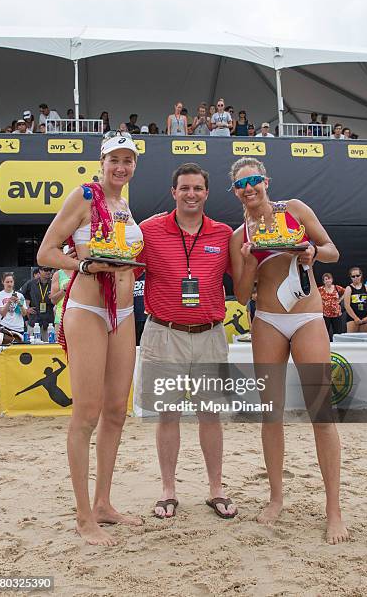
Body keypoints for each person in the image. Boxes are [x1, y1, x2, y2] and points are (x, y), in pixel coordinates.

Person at [229, 156, 349, 544]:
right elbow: (243, 294)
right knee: (271, 414)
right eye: (241, 184)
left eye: (254, 180)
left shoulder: (294, 210)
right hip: (267, 320)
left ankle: (334, 509)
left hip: (307, 316)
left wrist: (312, 252)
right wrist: (248, 262)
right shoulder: (238, 235)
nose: (249, 188)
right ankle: (276, 497)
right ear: (235, 191)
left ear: (266, 181)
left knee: (321, 412)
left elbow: (332, 250)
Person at [37, 132, 144, 546]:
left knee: (117, 410)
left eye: (128, 160)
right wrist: (81, 266)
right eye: (114, 159)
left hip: (123, 310)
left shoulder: (122, 205)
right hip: (87, 310)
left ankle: (103, 503)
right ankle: (84, 517)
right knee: (86, 413)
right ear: (101, 161)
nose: (121, 166)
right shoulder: (84, 196)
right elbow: (47, 252)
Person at [135, 162, 237, 520]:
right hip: (164, 333)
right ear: (173, 192)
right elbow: (122, 270)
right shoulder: (148, 230)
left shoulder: (224, 234)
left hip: (209, 335)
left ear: (207, 193)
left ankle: (215, 489)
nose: (191, 194)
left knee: (211, 415)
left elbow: (246, 278)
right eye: (184, 188)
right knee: (168, 414)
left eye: (197, 188)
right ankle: (168, 491)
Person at [23, 267, 54, 341]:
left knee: (49, 348)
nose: (48, 272)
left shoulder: (54, 284)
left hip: (49, 322)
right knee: (33, 348)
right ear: (39, 271)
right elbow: (21, 296)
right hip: (34, 321)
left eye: (50, 270)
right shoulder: (31, 284)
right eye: (46, 270)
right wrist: (26, 308)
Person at [343, 267, 367, 333]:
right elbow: (347, 305)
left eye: (357, 276)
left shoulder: (366, 287)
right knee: (352, 340)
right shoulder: (349, 288)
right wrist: (355, 317)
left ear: (361, 275)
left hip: (365, 317)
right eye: (353, 276)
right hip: (352, 318)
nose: (356, 278)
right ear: (351, 277)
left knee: (366, 340)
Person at [318, 273, 345, 340]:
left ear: (332, 280)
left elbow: (347, 291)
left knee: (338, 333)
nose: (328, 280)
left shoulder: (337, 287)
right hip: (325, 315)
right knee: (325, 332)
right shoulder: (320, 289)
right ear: (323, 281)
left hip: (337, 314)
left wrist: (340, 300)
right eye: (326, 279)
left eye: (329, 278)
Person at [50, 256, 72, 335]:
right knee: (60, 347)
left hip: (80, 317)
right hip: (61, 318)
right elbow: (53, 300)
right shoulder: (58, 274)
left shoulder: (82, 272)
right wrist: (64, 290)